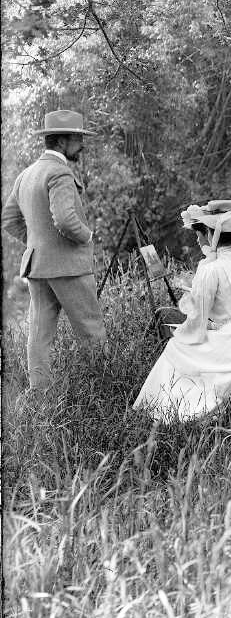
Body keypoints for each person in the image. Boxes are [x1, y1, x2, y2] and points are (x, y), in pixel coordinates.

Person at [134, 200, 231, 422]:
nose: (200, 239)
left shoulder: (212, 268)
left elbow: (198, 319)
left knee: (175, 347)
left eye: (202, 233)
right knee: (193, 340)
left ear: (211, 234)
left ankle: (171, 409)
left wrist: (184, 330)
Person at [1, 110, 106, 400]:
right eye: (78, 139)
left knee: (39, 337)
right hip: (69, 268)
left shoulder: (26, 174)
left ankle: (40, 399)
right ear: (62, 141)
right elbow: (64, 219)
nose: (82, 145)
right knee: (92, 334)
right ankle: (103, 396)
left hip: (38, 267)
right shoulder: (59, 171)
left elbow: (9, 220)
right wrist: (87, 237)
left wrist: (38, 243)